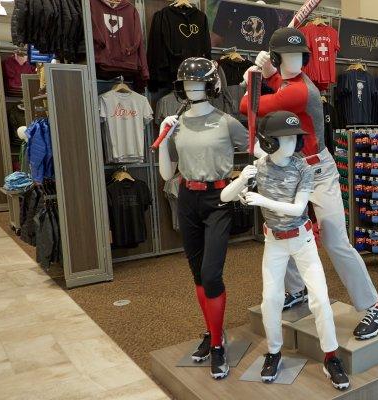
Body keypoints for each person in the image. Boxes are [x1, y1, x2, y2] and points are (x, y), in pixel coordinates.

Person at [239, 27, 378, 340]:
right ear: (279, 57)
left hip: (318, 172)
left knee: (335, 241)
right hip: (290, 169)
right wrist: (267, 75)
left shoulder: (301, 90)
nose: (294, 61)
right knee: (284, 231)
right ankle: (297, 291)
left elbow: (248, 107)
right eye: (288, 55)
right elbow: (280, 85)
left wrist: (252, 81)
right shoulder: (290, 82)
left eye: (299, 55)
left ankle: (375, 306)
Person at [221, 111, 350, 390]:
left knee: (320, 299)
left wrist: (260, 199)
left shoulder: (302, 167)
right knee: (271, 299)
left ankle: (331, 356)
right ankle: (274, 352)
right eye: (284, 139)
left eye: (294, 138)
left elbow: (298, 208)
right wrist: (243, 178)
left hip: (302, 239)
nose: (291, 144)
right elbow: (224, 196)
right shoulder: (260, 167)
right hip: (274, 242)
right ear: (268, 142)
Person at [157, 57, 248, 380]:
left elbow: (257, 151)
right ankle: (213, 333)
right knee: (197, 274)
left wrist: (244, 180)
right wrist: (163, 136)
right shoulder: (175, 123)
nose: (191, 87)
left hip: (218, 200)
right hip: (187, 197)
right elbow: (168, 172)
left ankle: (220, 347)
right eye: (185, 83)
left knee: (212, 274)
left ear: (211, 85)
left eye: (197, 82)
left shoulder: (227, 122)